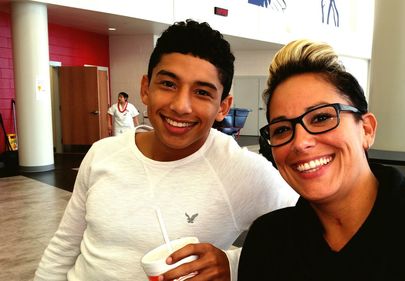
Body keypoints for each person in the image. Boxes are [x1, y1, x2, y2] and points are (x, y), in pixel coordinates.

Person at [34, 20, 297, 281]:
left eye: (202, 92)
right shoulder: (102, 154)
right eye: (169, 84)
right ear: (145, 88)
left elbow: (312, 234)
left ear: (223, 107)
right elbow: (64, 247)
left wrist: (233, 264)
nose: (181, 106)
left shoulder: (242, 171)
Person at [238, 39, 405, 281]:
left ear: (366, 130)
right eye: (282, 129)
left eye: (321, 118)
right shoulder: (269, 240)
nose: (300, 142)